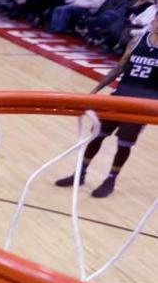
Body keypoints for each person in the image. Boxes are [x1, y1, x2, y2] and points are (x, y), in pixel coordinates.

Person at [55, 14, 158, 197]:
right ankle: (80, 173)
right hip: (119, 97)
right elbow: (119, 68)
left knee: (124, 144)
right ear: (153, 20)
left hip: (144, 104)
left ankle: (110, 179)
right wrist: (95, 91)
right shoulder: (137, 40)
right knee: (97, 135)